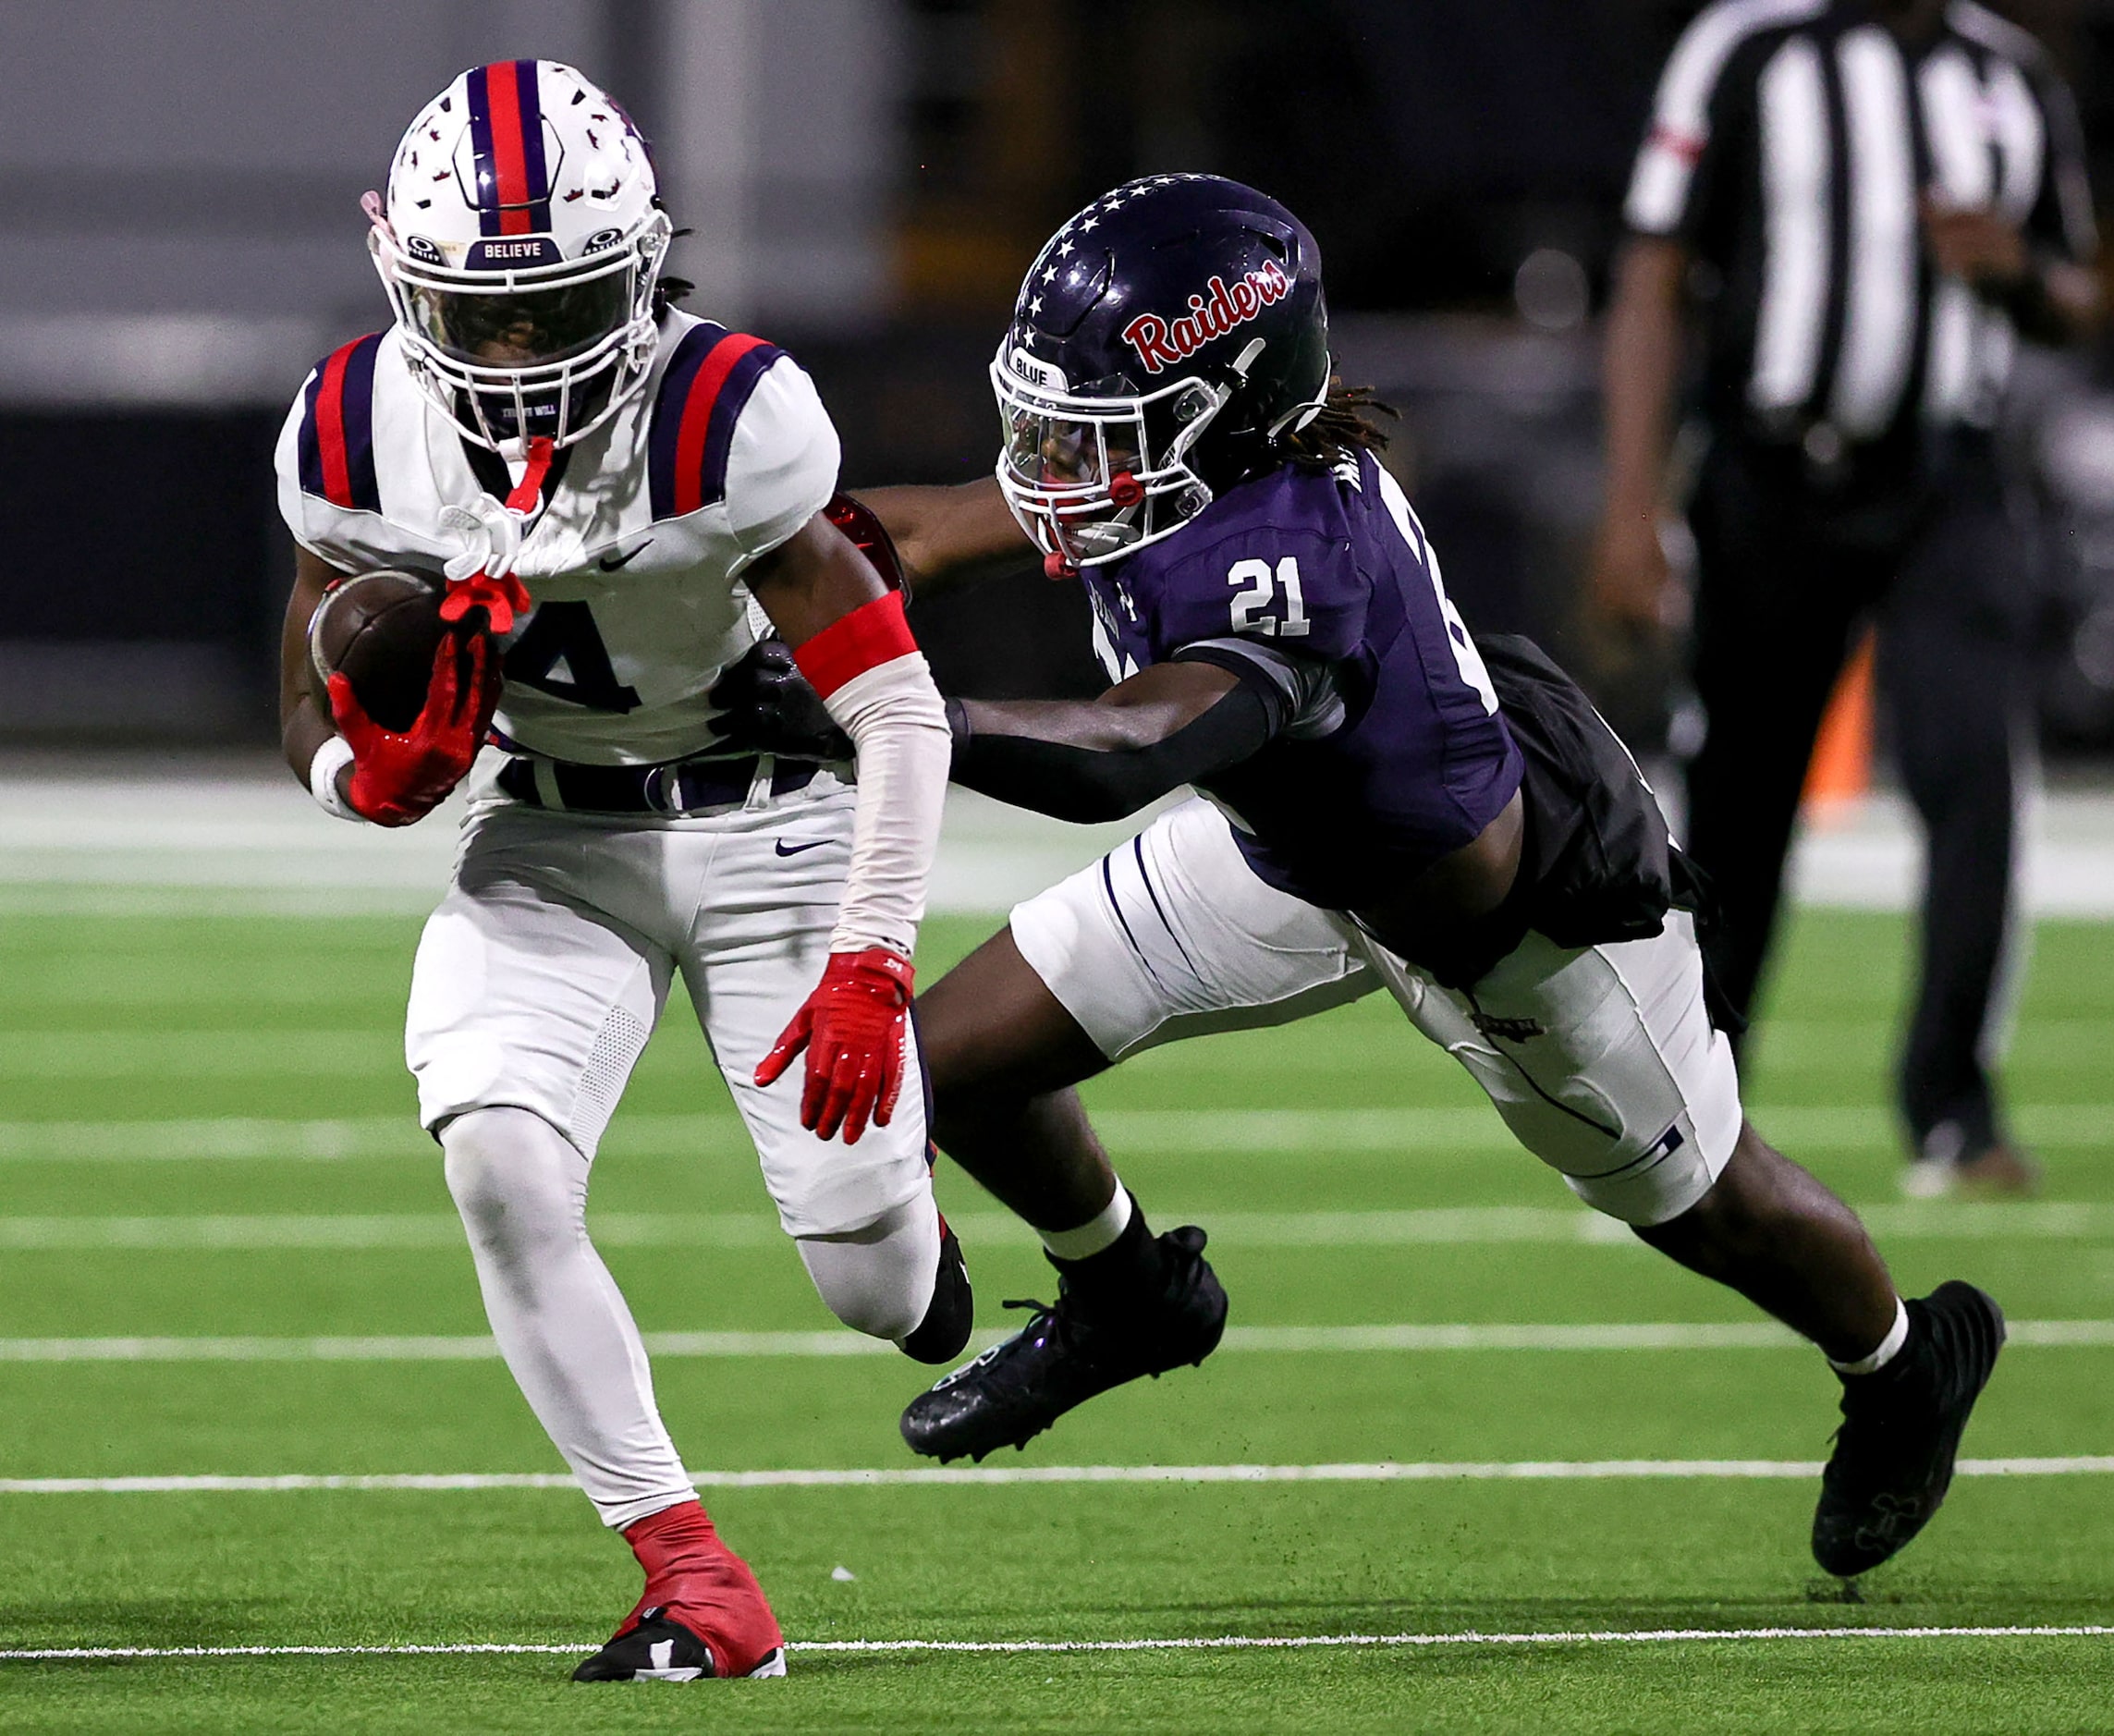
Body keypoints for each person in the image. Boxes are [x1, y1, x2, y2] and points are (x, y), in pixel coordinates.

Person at [836, 174, 2004, 1580]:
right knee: (950, 1057)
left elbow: (1123, 752)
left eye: (1092, 426)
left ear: (1222, 409)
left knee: (1712, 1205)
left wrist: (894, 713)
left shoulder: (1286, 548)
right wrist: (707, 564)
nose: (1044, 460)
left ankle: (1899, 1360)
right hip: (1290, 852)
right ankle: (1127, 1291)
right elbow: (898, 540)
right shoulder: (1173, 466)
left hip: (1505, 927)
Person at [274, 60, 970, 1681]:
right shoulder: (350, 424)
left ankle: (931, 1259)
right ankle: (691, 1575)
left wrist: (874, 955)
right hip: (552, 831)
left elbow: (902, 709)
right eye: (480, 314)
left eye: (561, 305)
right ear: (405, 281)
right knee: (496, 1159)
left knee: (870, 1277)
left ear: (643, 270)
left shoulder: (732, 415)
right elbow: (304, 683)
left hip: (775, 823)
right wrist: (359, 774)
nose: (517, 355)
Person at [1590, 0, 2098, 1197]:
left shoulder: (2006, 71)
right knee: (1738, 799)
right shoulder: (1748, 47)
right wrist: (1629, 507)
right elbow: (1654, 266)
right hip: (1770, 476)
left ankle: (1952, 1110)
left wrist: (2016, 275)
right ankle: (1689, 1100)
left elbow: (2074, 291)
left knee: (1974, 775)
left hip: (1946, 484)